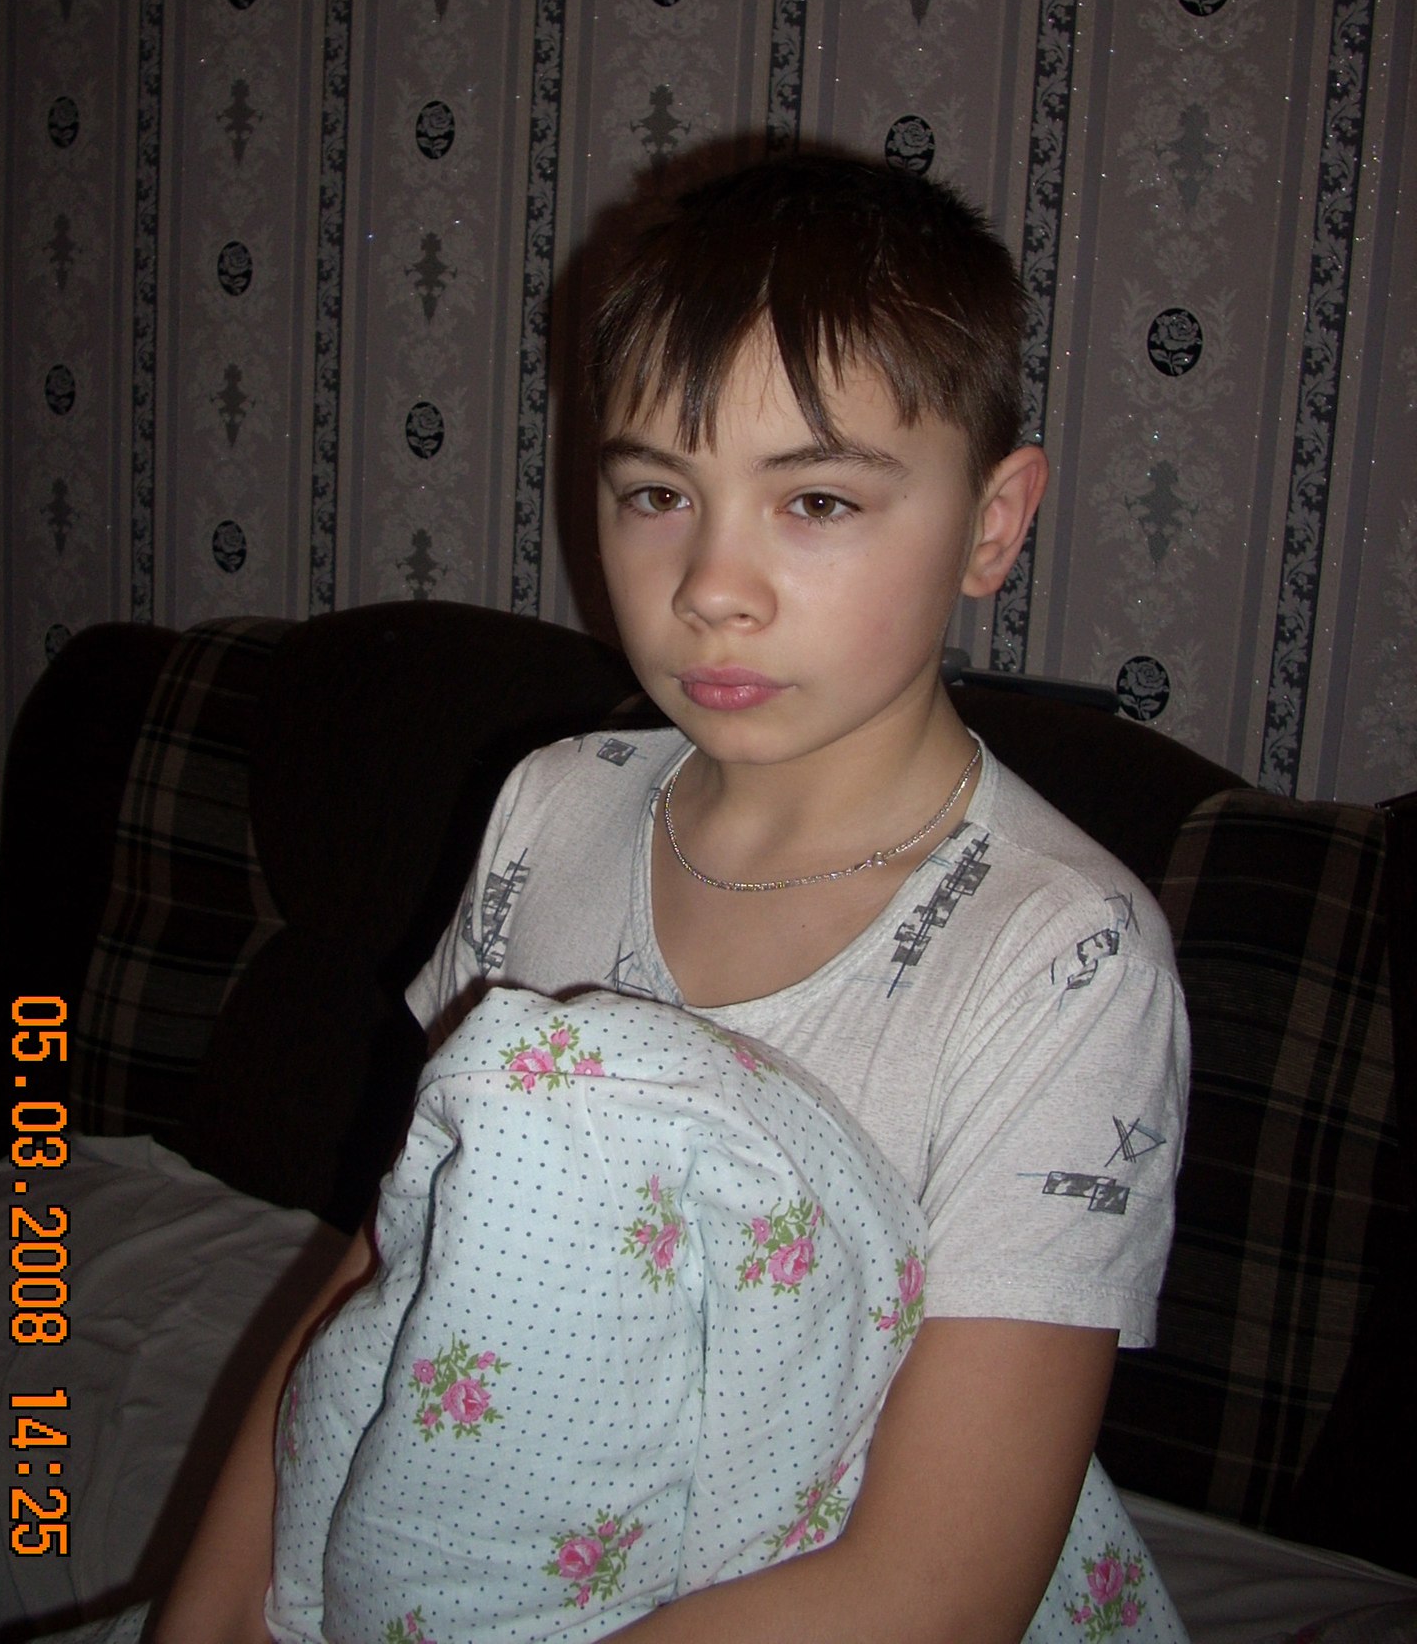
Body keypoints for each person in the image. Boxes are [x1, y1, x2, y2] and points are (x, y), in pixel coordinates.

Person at [155, 152, 1189, 1644]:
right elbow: (393, 1264)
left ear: (991, 522)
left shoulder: (1063, 961)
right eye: (656, 492)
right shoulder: (548, 807)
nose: (712, 584)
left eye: (815, 499)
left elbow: (940, 1589)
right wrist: (207, 1616)